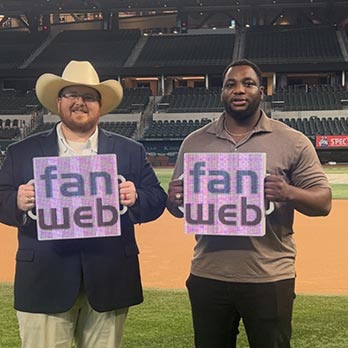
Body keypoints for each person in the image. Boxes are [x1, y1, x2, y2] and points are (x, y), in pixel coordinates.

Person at [0, 60, 167, 348]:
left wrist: (136, 196)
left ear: (100, 105)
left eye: (89, 96)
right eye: (72, 95)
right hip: (44, 280)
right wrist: (15, 200)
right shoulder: (22, 151)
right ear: (58, 101)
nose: (80, 102)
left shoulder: (129, 151)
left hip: (109, 279)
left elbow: (157, 198)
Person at [167, 59, 332, 348]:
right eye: (231, 84)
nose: (239, 90)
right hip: (208, 273)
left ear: (262, 90)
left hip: (269, 276)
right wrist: (174, 200)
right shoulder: (194, 142)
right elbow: (178, 207)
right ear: (222, 92)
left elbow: (323, 202)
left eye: (248, 83)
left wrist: (288, 192)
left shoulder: (292, 140)